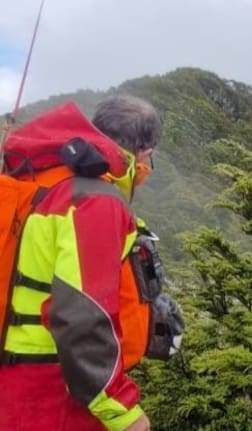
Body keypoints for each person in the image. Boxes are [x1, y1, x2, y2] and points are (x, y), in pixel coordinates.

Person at [0, 95, 162, 431]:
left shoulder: (36, 180)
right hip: (51, 399)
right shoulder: (93, 201)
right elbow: (83, 318)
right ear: (144, 154)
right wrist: (124, 413)